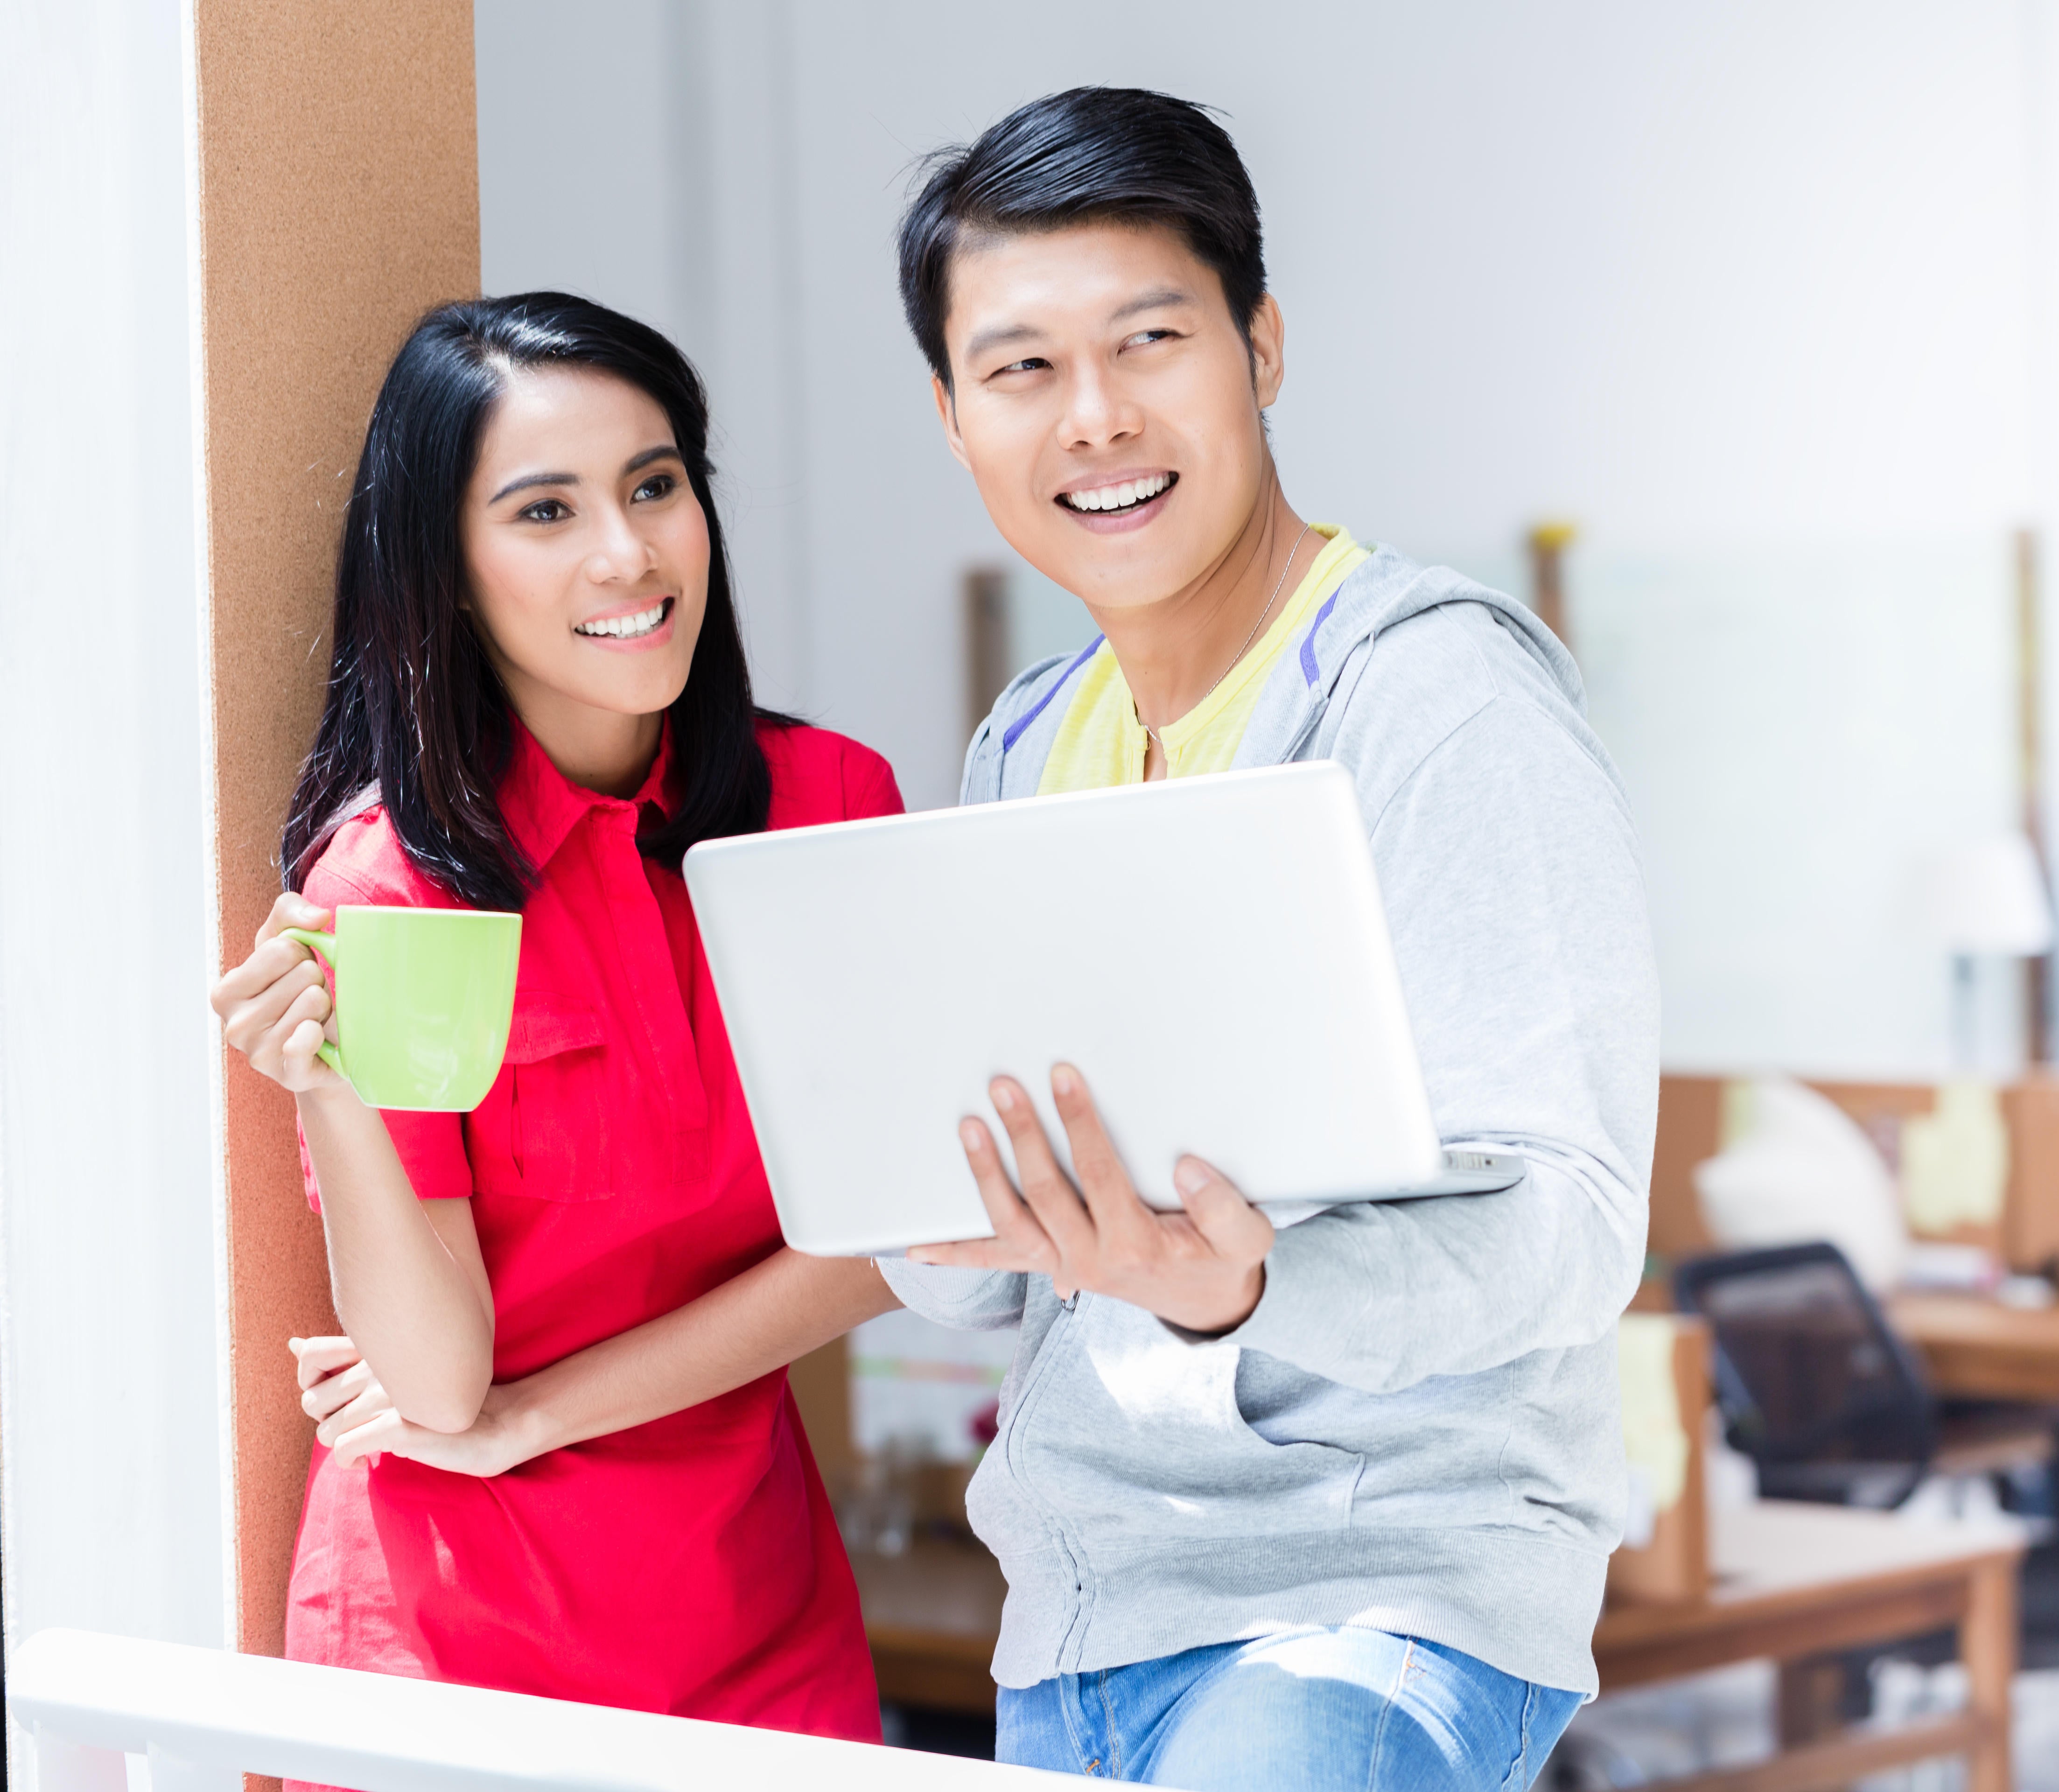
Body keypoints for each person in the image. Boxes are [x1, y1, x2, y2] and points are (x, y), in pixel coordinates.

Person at [880, 88, 1659, 1791]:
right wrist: (937, 1211)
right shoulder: (1021, 745)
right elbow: (995, 1288)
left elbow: (1570, 1223)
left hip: (1371, 1608)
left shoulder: (1440, 698)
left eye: (1147, 340)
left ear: (1262, 347)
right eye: (1021, 370)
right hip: (1083, 1613)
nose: (1093, 418)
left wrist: (1248, 1287)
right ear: (954, 419)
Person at [206, 294, 902, 1759]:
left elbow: (890, 1250)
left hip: (758, 1623)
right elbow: (439, 1382)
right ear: (445, 571)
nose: (626, 553)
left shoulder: (831, 808)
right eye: (545, 510)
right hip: (453, 1646)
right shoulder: (391, 885)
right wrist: (320, 1083)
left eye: (656, 486)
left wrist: (536, 1420)